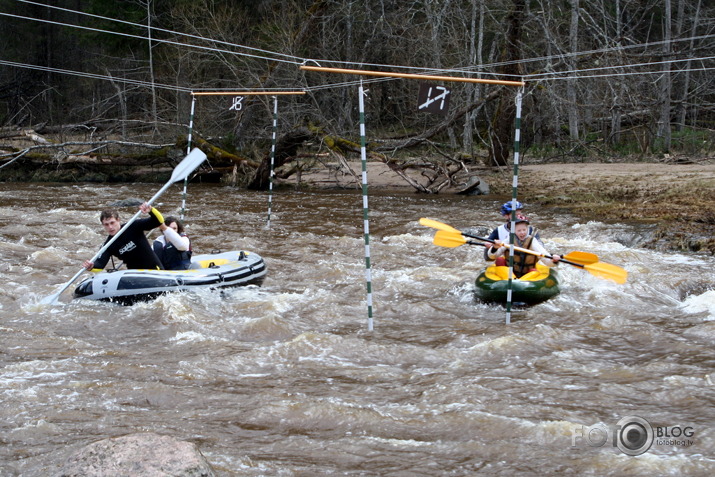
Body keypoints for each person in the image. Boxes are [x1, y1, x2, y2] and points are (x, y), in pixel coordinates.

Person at [83, 202, 164, 271]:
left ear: (118, 220)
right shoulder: (108, 244)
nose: (110, 227)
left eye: (112, 223)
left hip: (154, 269)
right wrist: (91, 266)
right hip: (135, 275)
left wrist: (151, 210)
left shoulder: (133, 226)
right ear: (103, 225)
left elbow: (158, 221)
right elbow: (100, 265)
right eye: (106, 224)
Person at [485, 217, 561, 278]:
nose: (522, 233)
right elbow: (492, 256)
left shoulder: (532, 241)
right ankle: (511, 278)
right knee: (500, 260)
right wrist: (495, 247)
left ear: (527, 230)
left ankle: (517, 282)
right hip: (509, 272)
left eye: (524, 230)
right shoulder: (509, 239)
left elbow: (545, 258)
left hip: (527, 273)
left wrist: (553, 260)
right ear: (514, 231)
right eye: (519, 230)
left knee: (534, 271)